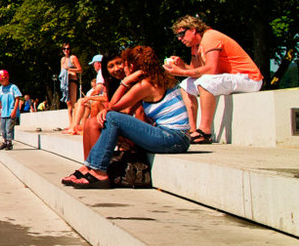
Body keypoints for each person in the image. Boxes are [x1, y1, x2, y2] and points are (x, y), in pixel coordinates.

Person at [63, 46, 190, 188]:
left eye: (124, 64)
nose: (121, 68)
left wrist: (126, 81)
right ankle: (90, 168)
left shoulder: (145, 84)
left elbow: (112, 107)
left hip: (173, 138)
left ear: (131, 66)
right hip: (175, 137)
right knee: (97, 121)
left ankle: (97, 171)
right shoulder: (154, 79)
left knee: (111, 117)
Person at [164, 15, 263, 144]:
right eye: (177, 36)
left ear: (193, 30)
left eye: (182, 34)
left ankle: (204, 132)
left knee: (205, 82)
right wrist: (182, 65)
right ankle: (191, 130)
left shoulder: (210, 37)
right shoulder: (195, 46)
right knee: (185, 85)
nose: (180, 38)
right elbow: (196, 71)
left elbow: (211, 70)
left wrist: (181, 71)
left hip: (249, 78)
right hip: (232, 78)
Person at [63, 54, 108, 135]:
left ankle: (74, 127)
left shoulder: (101, 72)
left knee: (81, 101)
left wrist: (89, 97)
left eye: (93, 64)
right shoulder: (103, 72)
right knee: (82, 104)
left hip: (103, 99)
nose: (93, 66)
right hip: (103, 99)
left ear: (98, 64)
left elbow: (98, 89)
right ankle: (76, 127)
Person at [0, 69, 22, 150]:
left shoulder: (13, 87)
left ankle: (9, 142)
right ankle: (5, 141)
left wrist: (14, 110)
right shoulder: (0, 89)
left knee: (9, 128)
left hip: (11, 111)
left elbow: (17, 98)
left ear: (6, 78)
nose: (0, 82)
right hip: (3, 112)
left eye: (1, 80)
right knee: (2, 128)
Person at [60, 43, 83, 122]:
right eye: (64, 49)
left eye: (68, 48)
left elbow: (80, 69)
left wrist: (70, 69)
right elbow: (61, 72)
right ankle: (70, 124)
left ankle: (74, 124)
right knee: (68, 103)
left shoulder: (73, 58)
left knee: (73, 104)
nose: (66, 50)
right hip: (65, 83)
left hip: (72, 81)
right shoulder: (62, 60)